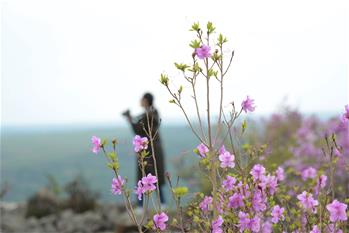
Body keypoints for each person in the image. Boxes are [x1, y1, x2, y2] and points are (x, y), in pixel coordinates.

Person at [122, 93, 166, 206]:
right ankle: (141, 205)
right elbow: (139, 126)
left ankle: (161, 204)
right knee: (143, 179)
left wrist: (131, 120)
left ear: (146, 100)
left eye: (142, 99)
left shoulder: (152, 113)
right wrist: (130, 118)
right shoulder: (147, 113)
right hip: (145, 151)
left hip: (153, 151)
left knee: (155, 179)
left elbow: (139, 129)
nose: (140, 101)